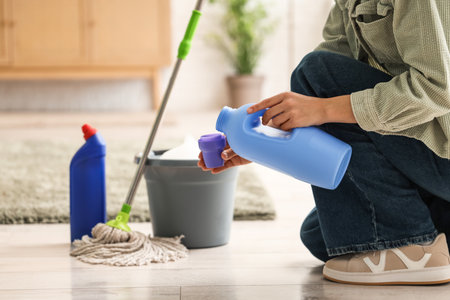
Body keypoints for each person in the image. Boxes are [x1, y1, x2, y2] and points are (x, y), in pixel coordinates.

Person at [198, 0, 450, 285]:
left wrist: (322, 109)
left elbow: (437, 89)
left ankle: (412, 245)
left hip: (444, 149)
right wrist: (262, 142)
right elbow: (336, 69)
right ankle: (432, 237)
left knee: (313, 73)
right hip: (426, 157)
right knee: (322, 234)